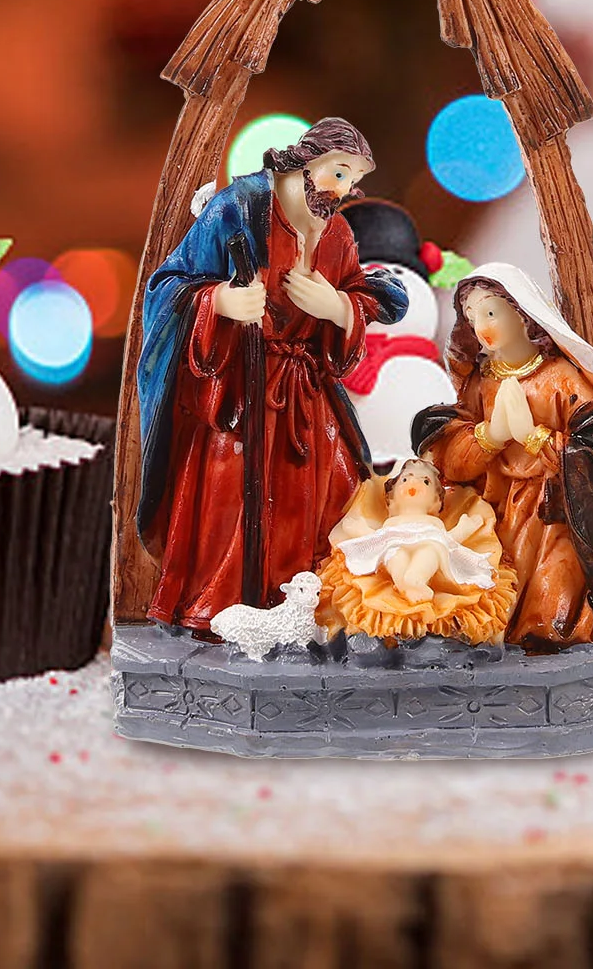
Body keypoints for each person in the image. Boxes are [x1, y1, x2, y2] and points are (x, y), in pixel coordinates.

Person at [136, 118, 407, 630]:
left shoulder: (339, 233)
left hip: (306, 394)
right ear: (307, 160)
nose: (344, 189)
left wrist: (340, 308)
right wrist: (219, 300)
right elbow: (168, 284)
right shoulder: (238, 208)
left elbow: (359, 299)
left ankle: (312, 607)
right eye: (339, 172)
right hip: (242, 389)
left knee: (337, 493)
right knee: (232, 490)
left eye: (353, 179)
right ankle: (223, 604)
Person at [411, 264, 593, 651]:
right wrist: (491, 436)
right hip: (494, 510)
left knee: (549, 607)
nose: (481, 326)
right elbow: (451, 460)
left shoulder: (562, 379)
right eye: (472, 318)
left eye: (491, 312)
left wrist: (533, 436)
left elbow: (592, 456)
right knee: (483, 591)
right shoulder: (481, 383)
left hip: (554, 516)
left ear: (522, 314)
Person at [316, 458, 516, 645]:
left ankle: (415, 579)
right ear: (391, 500)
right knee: (394, 554)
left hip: (431, 545)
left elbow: (450, 540)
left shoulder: (434, 524)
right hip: (393, 545)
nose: (415, 483)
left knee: (431, 551)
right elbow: (374, 538)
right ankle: (405, 583)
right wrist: (357, 529)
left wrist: (465, 528)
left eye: (426, 482)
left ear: (436, 503)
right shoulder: (390, 523)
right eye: (405, 478)